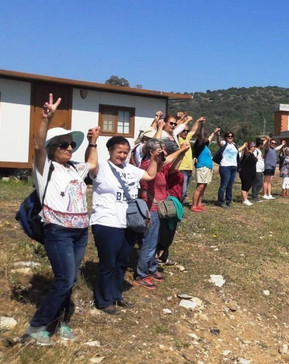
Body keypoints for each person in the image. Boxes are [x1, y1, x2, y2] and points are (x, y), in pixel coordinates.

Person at [22, 94, 95, 345]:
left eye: (71, 145)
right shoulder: (45, 168)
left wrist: (93, 142)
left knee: (70, 279)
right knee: (64, 280)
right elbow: (38, 145)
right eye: (63, 145)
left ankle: (60, 322)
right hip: (59, 231)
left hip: (80, 232)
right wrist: (46, 118)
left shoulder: (74, 167)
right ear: (53, 148)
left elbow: (92, 164)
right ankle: (36, 326)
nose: (69, 148)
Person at [89, 135, 162, 315]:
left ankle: (116, 294)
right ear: (110, 151)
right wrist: (92, 142)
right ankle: (104, 300)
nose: (122, 155)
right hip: (106, 222)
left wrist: (154, 159)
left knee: (122, 262)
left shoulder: (130, 169)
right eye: (119, 152)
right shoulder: (101, 167)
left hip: (128, 223)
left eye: (125, 152)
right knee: (108, 262)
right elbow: (90, 163)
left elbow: (150, 175)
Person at [136, 139, 190, 290]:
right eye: (160, 151)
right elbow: (165, 162)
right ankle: (142, 274)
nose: (164, 154)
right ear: (151, 153)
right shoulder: (147, 165)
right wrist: (180, 150)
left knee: (155, 241)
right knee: (149, 243)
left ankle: (152, 268)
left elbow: (168, 164)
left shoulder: (157, 165)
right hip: (151, 210)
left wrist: (180, 154)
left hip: (158, 209)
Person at [190, 120, 215, 212]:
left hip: (208, 167)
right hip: (202, 167)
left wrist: (214, 133)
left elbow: (210, 138)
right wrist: (202, 125)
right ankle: (194, 205)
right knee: (200, 187)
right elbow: (201, 136)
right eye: (204, 136)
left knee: (204, 186)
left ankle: (199, 204)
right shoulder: (199, 145)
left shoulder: (205, 145)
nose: (205, 138)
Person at [177, 117, 201, 204]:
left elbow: (193, 131)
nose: (186, 132)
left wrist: (197, 121)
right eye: (184, 130)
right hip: (181, 168)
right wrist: (182, 119)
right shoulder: (177, 139)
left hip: (189, 168)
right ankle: (177, 207)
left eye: (187, 131)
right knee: (182, 191)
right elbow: (177, 128)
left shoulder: (186, 138)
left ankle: (181, 207)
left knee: (186, 191)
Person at [215, 131, 240, 208]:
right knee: (224, 185)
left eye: (231, 136)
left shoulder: (234, 145)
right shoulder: (224, 143)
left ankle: (228, 201)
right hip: (225, 166)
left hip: (233, 167)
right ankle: (221, 201)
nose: (230, 137)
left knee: (230, 185)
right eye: (228, 136)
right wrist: (218, 135)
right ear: (225, 137)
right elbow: (219, 143)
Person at [251, 137, 267, 201]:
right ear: (260, 145)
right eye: (262, 144)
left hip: (260, 169)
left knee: (260, 183)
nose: (263, 146)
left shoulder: (259, 151)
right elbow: (253, 157)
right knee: (257, 183)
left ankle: (256, 195)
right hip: (256, 169)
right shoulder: (256, 151)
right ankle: (254, 196)